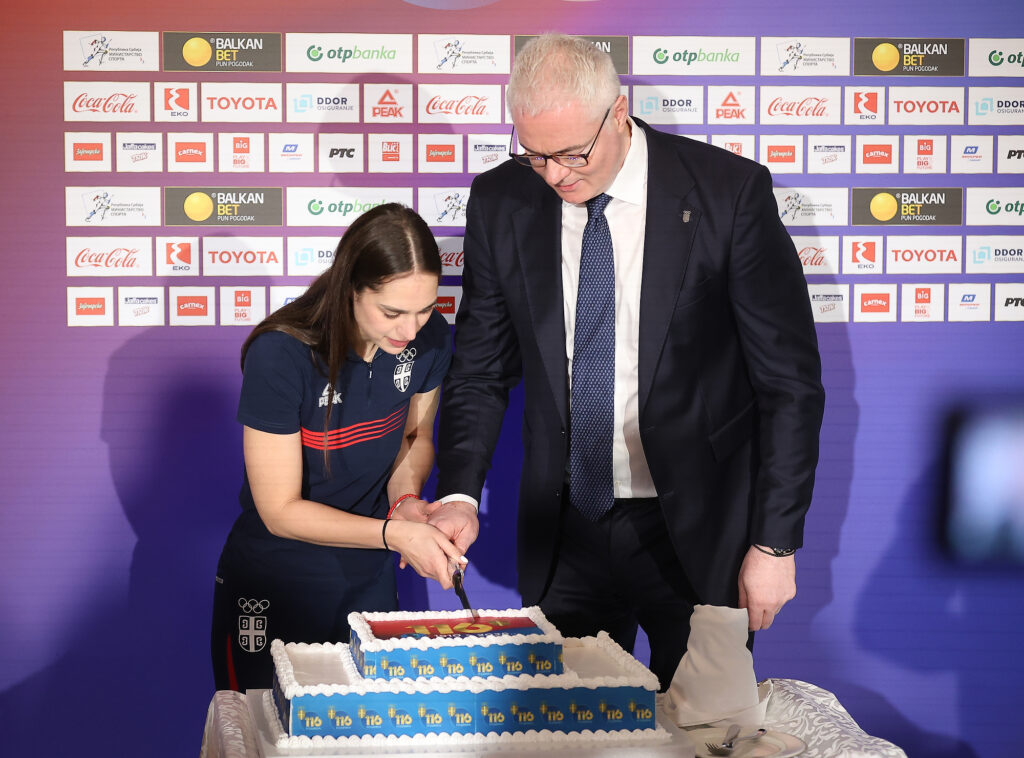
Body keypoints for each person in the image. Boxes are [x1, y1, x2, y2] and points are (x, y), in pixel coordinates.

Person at [430, 34, 826, 690]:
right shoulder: (501, 200)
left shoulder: (728, 194)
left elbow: (789, 385)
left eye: (572, 154)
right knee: (564, 729)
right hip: (565, 532)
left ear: (618, 113)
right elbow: (480, 368)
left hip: (698, 531)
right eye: (535, 155)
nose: (555, 175)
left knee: (707, 725)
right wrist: (458, 493)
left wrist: (774, 543)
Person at [211, 203, 465, 691]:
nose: (411, 330)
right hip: (276, 580)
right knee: (262, 726)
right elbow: (279, 510)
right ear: (352, 288)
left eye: (425, 309)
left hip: (368, 577)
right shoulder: (282, 352)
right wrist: (394, 534)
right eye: (392, 312)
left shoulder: (429, 339)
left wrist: (405, 501)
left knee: (369, 726)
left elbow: (413, 437)